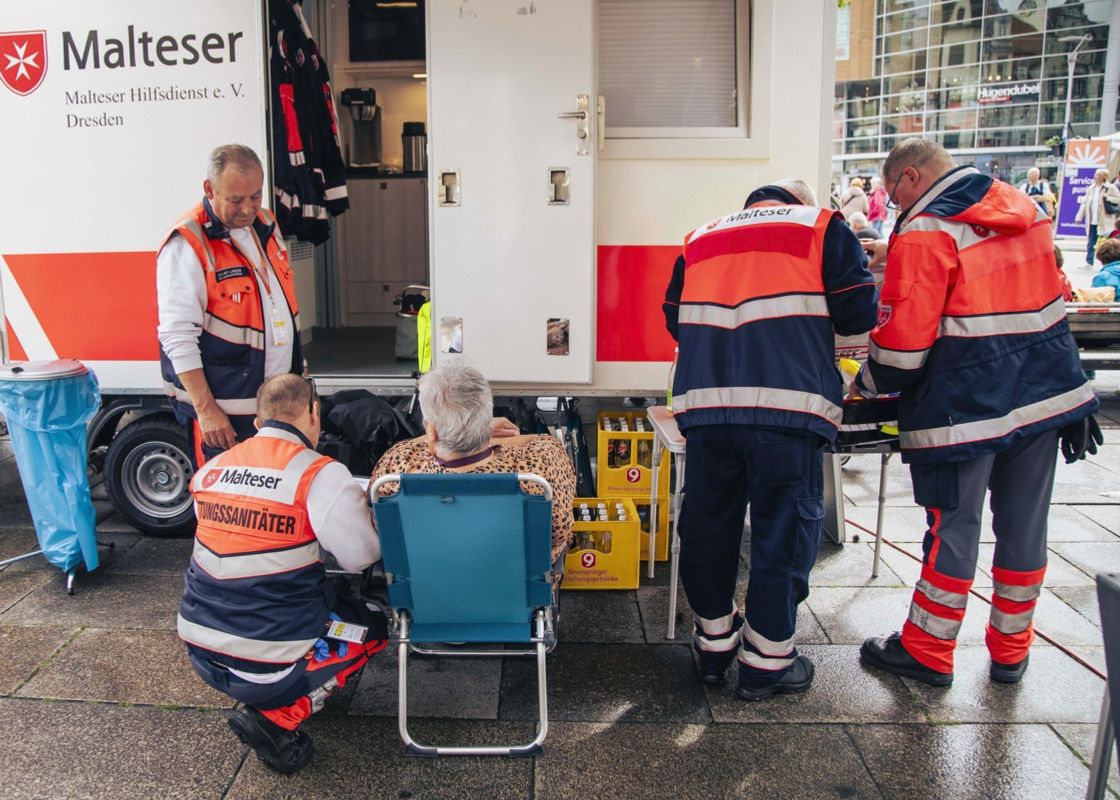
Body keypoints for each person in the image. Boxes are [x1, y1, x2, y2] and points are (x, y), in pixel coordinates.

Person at [853, 138, 1100, 688]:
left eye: (894, 197)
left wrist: (862, 382)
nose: (896, 208)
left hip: (962, 408)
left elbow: (902, 347)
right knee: (1024, 528)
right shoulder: (1024, 209)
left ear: (911, 177)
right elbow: (1037, 299)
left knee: (953, 530)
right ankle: (1011, 652)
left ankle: (928, 650)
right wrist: (1075, 390)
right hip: (1040, 398)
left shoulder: (924, 229)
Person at [662, 179, 880, 700]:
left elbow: (676, 320)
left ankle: (714, 642)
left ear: (750, 207)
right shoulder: (822, 226)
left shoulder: (700, 240)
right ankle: (768, 658)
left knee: (708, 525)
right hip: (789, 409)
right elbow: (858, 314)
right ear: (795, 204)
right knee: (782, 531)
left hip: (709, 409)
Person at [178, 374, 386, 774]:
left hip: (200, 649)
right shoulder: (318, 474)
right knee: (371, 624)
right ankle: (279, 717)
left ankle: (270, 687)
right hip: (269, 660)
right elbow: (361, 556)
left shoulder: (212, 470)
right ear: (313, 414)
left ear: (258, 421)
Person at [158, 144, 304, 467]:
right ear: (209, 189)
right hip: (226, 421)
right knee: (226, 508)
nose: (248, 208)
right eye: (236, 199)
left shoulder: (265, 224)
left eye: (255, 196)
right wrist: (206, 410)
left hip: (276, 410)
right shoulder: (188, 243)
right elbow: (177, 337)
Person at [371, 363, 576, 582]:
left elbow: (386, 534)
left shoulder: (397, 469)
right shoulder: (539, 471)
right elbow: (557, 533)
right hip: (517, 593)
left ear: (431, 429)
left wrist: (446, 432)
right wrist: (481, 429)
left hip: (428, 595)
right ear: (486, 414)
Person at [1075, 169, 1120, 267]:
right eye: (1095, 175)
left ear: (1103, 176)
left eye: (1098, 175)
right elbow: (1085, 203)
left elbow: (1118, 199)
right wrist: (1079, 217)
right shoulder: (1091, 188)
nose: (1095, 177)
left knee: (1107, 243)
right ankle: (1089, 261)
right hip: (1092, 220)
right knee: (1091, 242)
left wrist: (1107, 197)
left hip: (1104, 220)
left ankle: (1108, 262)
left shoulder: (1110, 188)